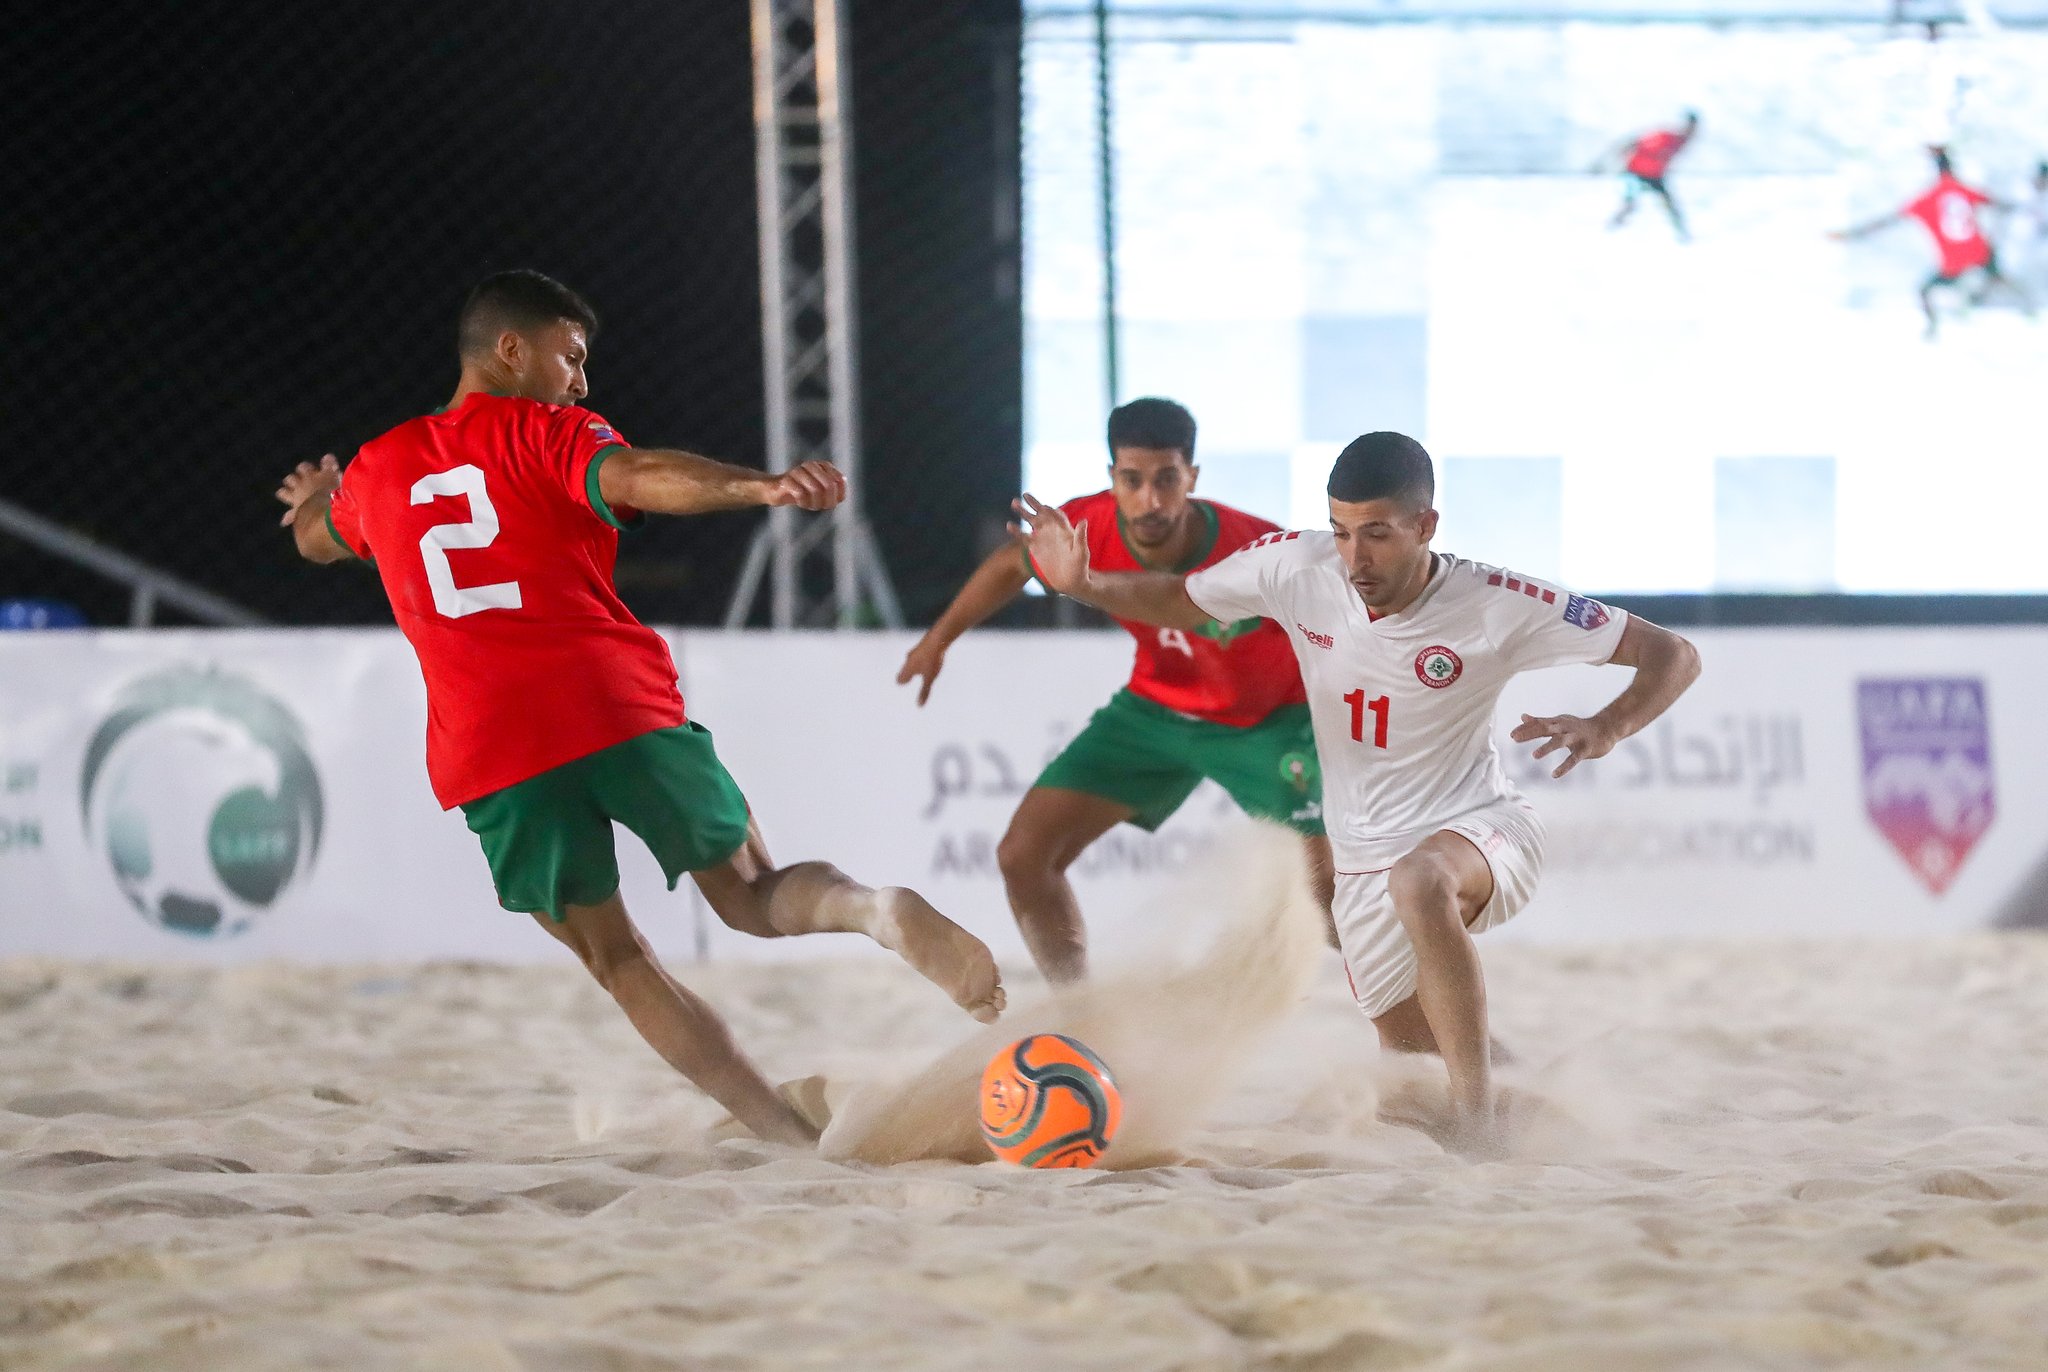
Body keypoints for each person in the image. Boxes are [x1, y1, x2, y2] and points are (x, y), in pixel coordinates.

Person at [273, 269, 1003, 1146]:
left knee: (619, 961)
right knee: (753, 894)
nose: (580, 380)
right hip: (610, 706)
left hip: (492, 750)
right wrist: (759, 487)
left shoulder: (381, 467)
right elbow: (642, 473)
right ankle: (876, 912)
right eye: (569, 357)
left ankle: (779, 1134)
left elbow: (319, 538)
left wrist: (320, 494)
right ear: (511, 350)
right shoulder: (549, 432)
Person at [1014, 431, 1701, 1149]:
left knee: (1421, 880)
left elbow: (1673, 654)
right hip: (1362, 862)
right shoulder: (1298, 566)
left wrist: (1608, 726)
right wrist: (1086, 585)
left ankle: (1481, 1108)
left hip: (1482, 827)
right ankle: (1530, 1117)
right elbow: (1180, 600)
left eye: (1375, 534)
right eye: (1341, 531)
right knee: (1411, 1092)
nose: (1353, 557)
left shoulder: (1498, 601)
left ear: (1425, 527)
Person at [896, 397, 1331, 984]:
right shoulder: (1086, 527)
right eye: (1133, 480)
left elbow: (1327, 627)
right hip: (1157, 709)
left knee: (1332, 904)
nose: (1150, 499)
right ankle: (1078, 1016)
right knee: (1023, 857)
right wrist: (938, 640)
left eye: (1167, 479)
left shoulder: (1257, 546)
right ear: (1112, 479)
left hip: (1270, 722)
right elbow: (1011, 564)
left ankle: (1451, 1044)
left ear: (1192, 479)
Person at [1831, 146, 2034, 338]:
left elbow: (1887, 221)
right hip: (1980, 252)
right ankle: (2024, 304)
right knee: (1996, 277)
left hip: (1953, 260)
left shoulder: (1926, 199)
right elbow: (1999, 204)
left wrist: (1852, 234)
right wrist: (2025, 208)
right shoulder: (1964, 190)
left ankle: (1932, 326)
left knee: (1925, 290)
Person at [1605, 111, 1699, 242]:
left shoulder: (1681, 142)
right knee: (1629, 205)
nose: (1693, 132)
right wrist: (1624, 152)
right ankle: (1609, 231)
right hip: (1634, 173)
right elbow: (1637, 142)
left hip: (1655, 176)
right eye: (1691, 127)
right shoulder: (1666, 136)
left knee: (1669, 205)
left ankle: (1684, 236)